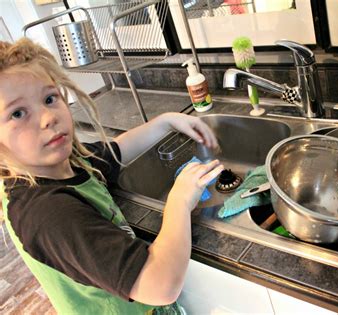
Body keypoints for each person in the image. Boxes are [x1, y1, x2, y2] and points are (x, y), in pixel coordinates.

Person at [0, 38, 224, 314]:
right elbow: (161, 286)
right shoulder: (47, 213)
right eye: (18, 113)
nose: (47, 117)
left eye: (49, 98)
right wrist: (179, 200)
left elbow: (116, 151)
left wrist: (165, 122)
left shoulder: (65, 162)